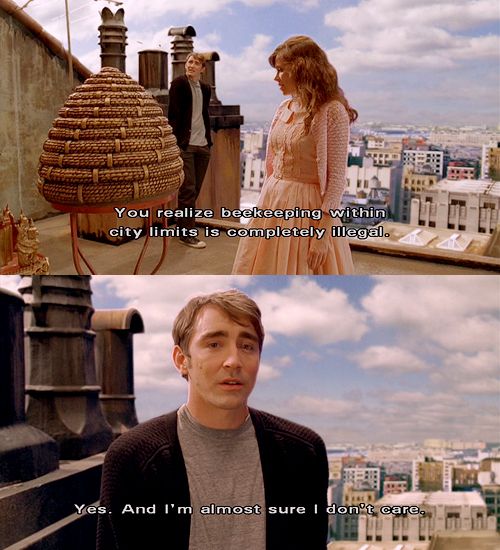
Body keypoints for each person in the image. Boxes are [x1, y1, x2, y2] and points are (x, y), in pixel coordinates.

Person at [97, 290, 328, 550]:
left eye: (247, 346)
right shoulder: (133, 457)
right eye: (214, 344)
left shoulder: (303, 453)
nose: (233, 361)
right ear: (181, 360)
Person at [232, 36, 357, 274]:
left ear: (302, 69)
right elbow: (273, 162)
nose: (276, 78)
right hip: (272, 202)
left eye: (281, 70)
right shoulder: (283, 108)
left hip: (307, 210)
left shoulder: (332, 111)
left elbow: (336, 180)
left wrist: (322, 235)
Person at [168, 53, 212, 249]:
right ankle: (186, 234)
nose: (191, 65)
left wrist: (208, 140)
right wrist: (176, 143)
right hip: (186, 145)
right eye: (189, 62)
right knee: (188, 190)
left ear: (203, 69)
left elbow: (203, 114)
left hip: (203, 145)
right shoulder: (179, 84)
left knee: (194, 191)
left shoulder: (205, 88)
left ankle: (182, 227)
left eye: (196, 63)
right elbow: (173, 115)